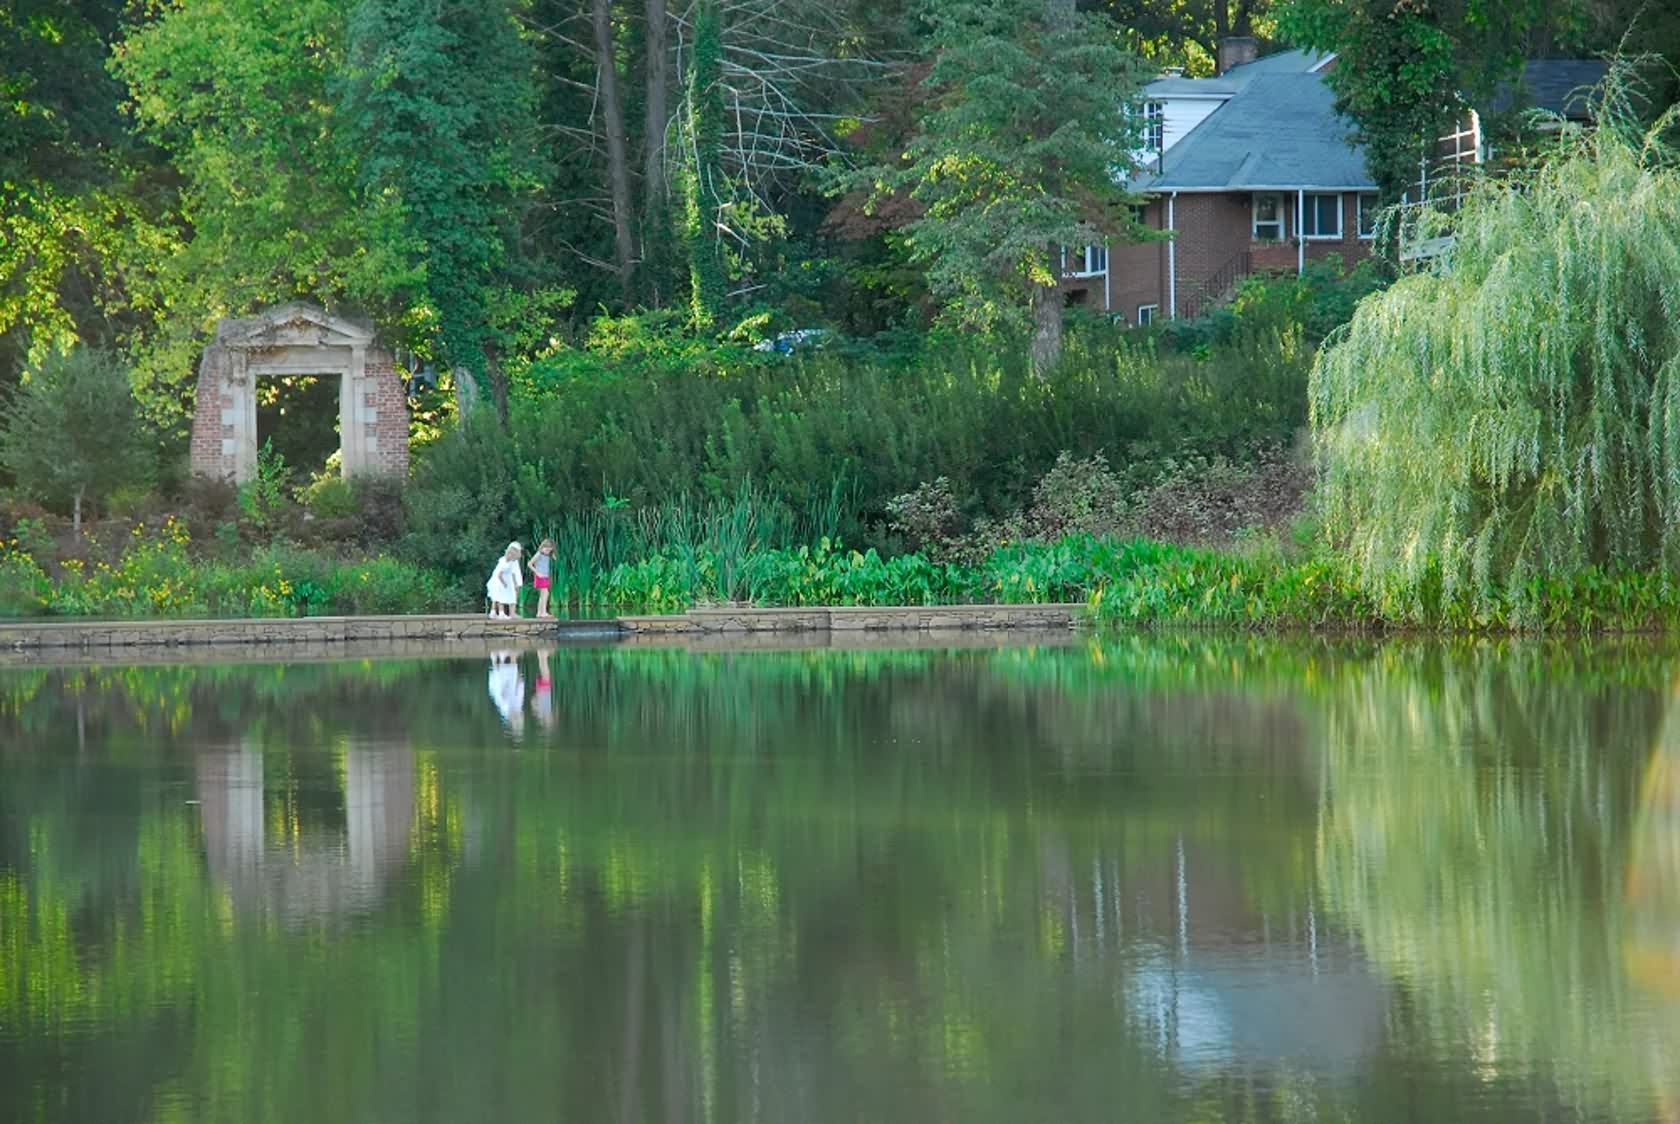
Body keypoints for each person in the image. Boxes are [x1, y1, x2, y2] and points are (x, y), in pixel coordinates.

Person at [486, 541, 523, 618]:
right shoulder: (504, 562)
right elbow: (500, 574)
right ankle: (501, 613)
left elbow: (513, 573)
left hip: (502, 580)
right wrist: (504, 583)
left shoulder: (510, 562)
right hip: (501, 581)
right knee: (499, 597)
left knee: (498, 596)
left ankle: (496, 613)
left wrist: (514, 583)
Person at [531, 539, 557, 619]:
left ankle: (540, 612)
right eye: (546, 549)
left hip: (545, 576)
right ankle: (543, 612)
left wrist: (552, 554)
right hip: (540, 576)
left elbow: (555, 558)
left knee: (543, 595)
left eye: (550, 549)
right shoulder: (539, 554)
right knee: (545, 594)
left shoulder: (547, 555)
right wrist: (537, 572)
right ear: (542, 547)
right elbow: (530, 564)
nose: (548, 551)